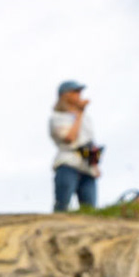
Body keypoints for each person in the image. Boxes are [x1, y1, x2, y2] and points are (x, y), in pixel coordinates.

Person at [49, 81, 100, 211]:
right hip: (68, 164)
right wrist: (79, 115)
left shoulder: (86, 118)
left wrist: (95, 164)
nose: (79, 95)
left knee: (90, 210)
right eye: (75, 92)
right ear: (65, 95)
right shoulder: (57, 117)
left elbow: (89, 142)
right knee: (62, 206)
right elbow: (70, 138)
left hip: (87, 167)